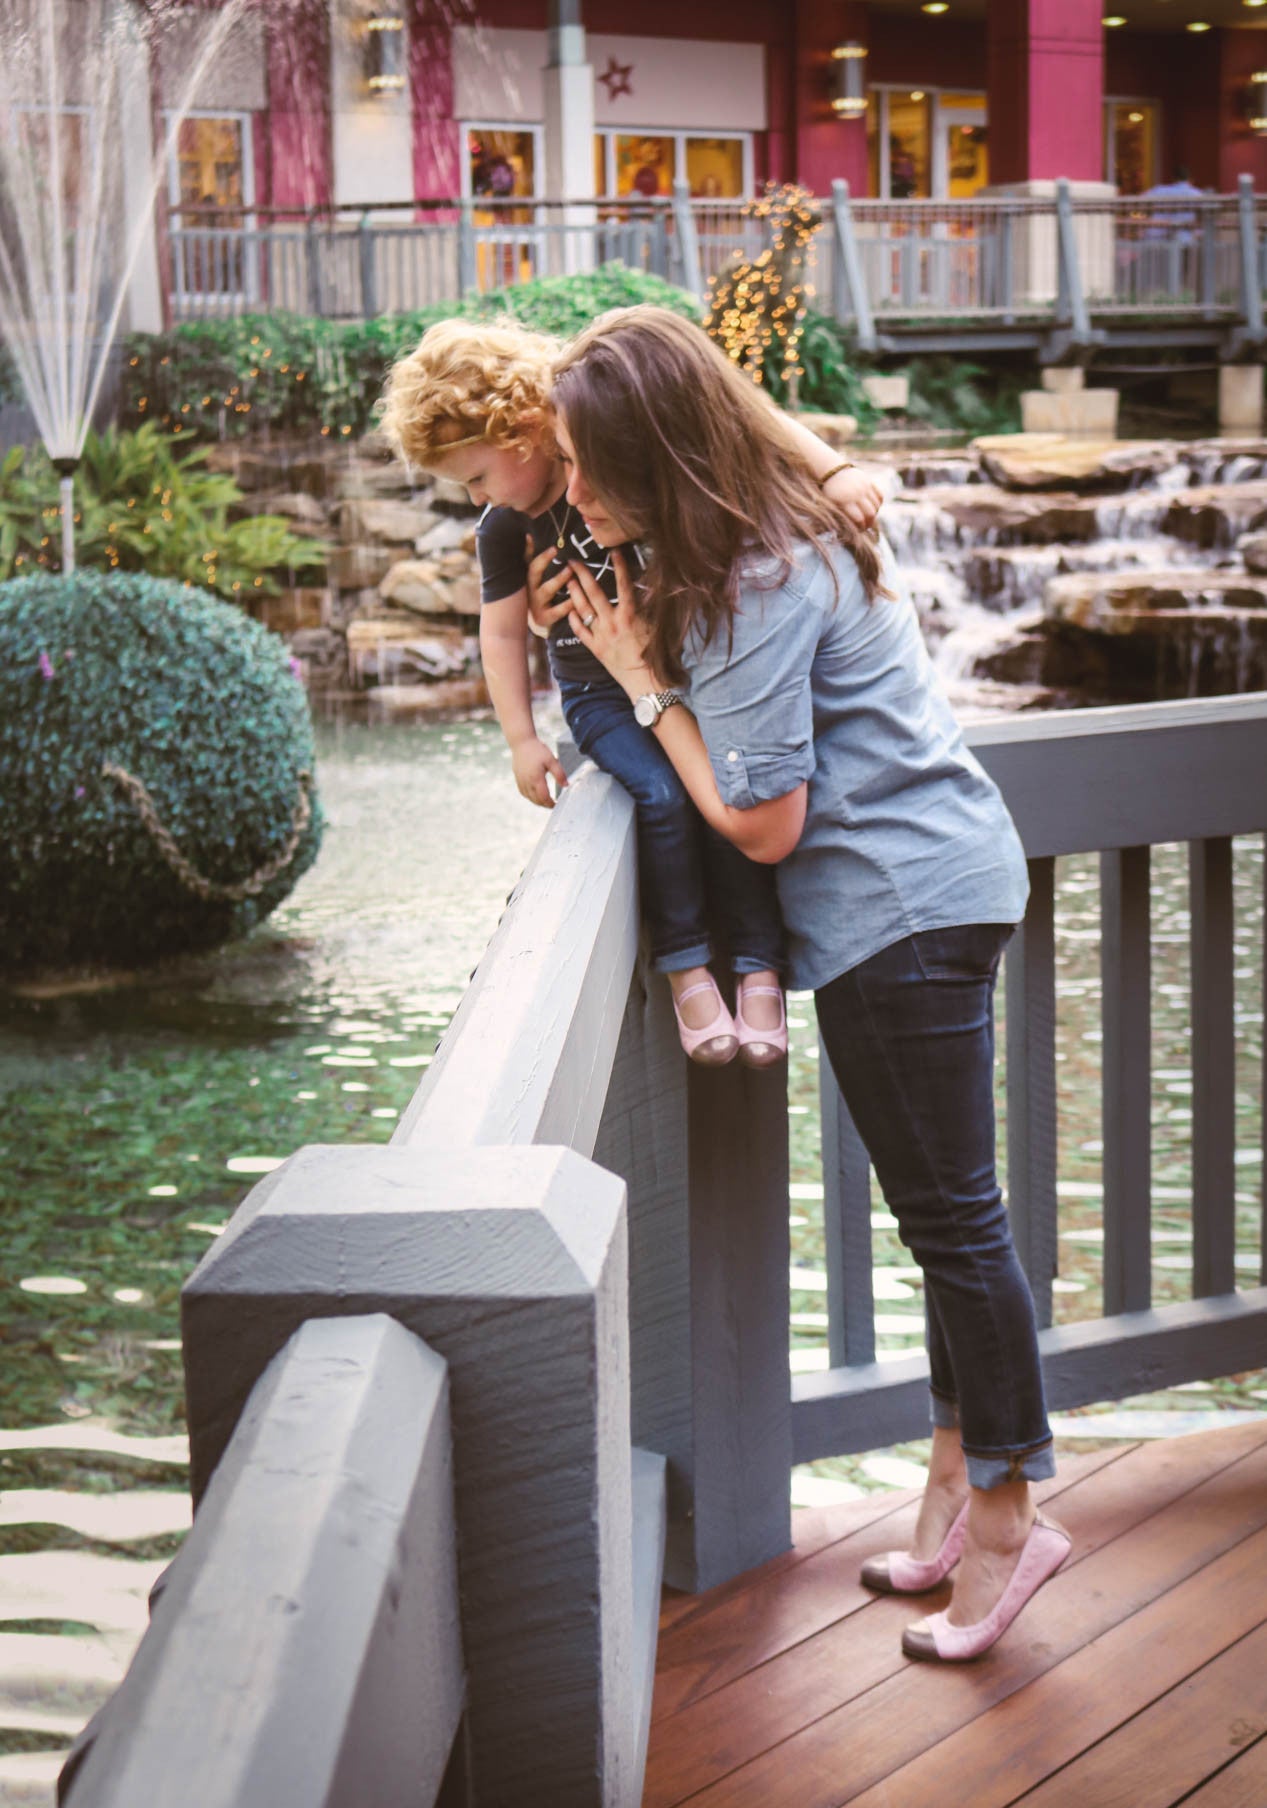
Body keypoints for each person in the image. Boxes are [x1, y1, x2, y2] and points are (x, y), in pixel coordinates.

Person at [548, 304, 1069, 1662]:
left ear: (656, 463)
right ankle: (956, 1496)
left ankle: (1014, 1517)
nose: (572, 494)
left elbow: (761, 823)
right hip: (932, 889)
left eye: (589, 469)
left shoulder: (748, 585)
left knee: (954, 1225)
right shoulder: (758, 529)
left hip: (900, 911)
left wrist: (635, 679)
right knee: (943, 1222)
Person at [379, 317, 884, 1066]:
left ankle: (757, 967)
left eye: (476, 476)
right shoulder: (504, 530)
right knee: (663, 797)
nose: (475, 497)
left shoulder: (609, 442)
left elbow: (737, 409)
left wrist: (830, 470)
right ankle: (686, 969)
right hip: (603, 695)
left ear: (521, 433)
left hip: (685, 673)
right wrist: (521, 739)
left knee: (731, 796)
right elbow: (503, 633)